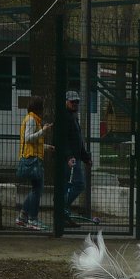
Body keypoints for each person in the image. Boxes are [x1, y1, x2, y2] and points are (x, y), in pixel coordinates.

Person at [15, 97, 53, 231]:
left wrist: (46, 147)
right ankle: (32, 219)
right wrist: (43, 131)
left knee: (36, 189)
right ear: (38, 108)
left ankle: (23, 217)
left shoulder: (32, 119)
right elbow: (28, 138)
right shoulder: (32, 119)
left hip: (32, 157)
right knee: (37, 189)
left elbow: (33, 142)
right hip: (32, 159)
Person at [63, 90, 92, 227]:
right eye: (72, 101)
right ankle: (61, 207)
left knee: (70, 186)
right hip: (70, 159)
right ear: (66, 101)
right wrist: (69, 156)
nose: (75, 104)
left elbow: (77, 140)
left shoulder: (73, 117)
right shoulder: (65, 117)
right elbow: (64, 140)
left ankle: (64, 214)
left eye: (76, 102)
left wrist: (85, 157)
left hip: (74, 157)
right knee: (78, 184)